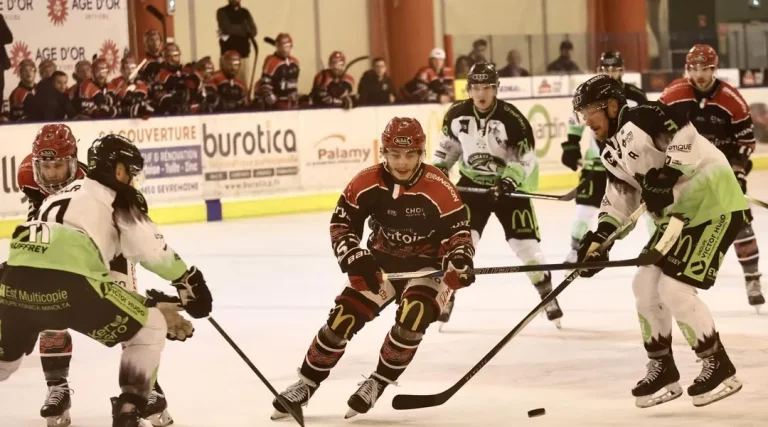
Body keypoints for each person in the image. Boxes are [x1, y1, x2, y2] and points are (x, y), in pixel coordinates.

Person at [0, 133, 212, 427]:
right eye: (132, 173)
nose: (133, 181)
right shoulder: (119, 196)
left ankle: (63, 388)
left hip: (12, 278)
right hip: (71, 282)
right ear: (120, 170)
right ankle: (130, 408)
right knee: (149, 326)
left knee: (4, 363)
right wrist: (189, 282)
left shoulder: (59, 195)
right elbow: (152, 251)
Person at [270, 117, 475, 419]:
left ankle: (378, 381)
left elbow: (459, 233)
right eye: (394, 155)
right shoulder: (366, 181)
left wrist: (460, 259)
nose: (402, 163)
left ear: (421, 153)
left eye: (410, 155)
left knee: (413, 316)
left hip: (427, 269)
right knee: (343, 317)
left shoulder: (439, 187)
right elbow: (341, 224)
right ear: (384, 152)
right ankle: (306, 383)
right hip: (382, 263)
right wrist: (355, 256)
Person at [573, 74, 746, 408]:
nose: (586, 120)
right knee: (644, 285)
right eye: (582, 114)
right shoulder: (610, 152)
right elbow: (620, 199)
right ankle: (663, 368)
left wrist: (667, 175)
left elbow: (685, 135)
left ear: (611, 105)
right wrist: (601, 237)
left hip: (715, 206)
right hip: (678, 220)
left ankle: (719, 365)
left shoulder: (642, 116)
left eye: (590, 111)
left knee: (673, 289)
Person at [432, 62, 563, 328]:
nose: (481, 93)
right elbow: (448, 150)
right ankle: (449, 294)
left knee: (528, 249)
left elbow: (524, 158)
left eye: (488, 87)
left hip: (507, 190)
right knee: (460, 246)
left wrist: (507, 183)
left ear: (496, 89)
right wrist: (438, 173)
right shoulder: (456, 114)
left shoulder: (512, 119)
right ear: (468, 89)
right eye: (476, 87)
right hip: (471, 187)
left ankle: (546, 295)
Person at [659, 44, 763, 312]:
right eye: (694, 69)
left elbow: (745, 142)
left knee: (741, 226)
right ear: (687, 69)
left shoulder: (733, 100)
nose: (700, 75)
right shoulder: (673, 94)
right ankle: (679, 281)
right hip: (688, 175)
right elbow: (654, 127)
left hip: (723, 172)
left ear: (714, 69)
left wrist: (738, 172)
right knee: (682, 226)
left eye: (705, 69)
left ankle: (752, 280)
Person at [560, 51, 648, 262]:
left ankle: (662, 247)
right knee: (584, 211)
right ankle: (575, 252)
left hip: (628, 166)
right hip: (597, 166)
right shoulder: (590, 92)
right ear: (599, 70)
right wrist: (572, 144)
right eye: (605, 69)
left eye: (614, 68)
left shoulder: (635, 95)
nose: (610, 73)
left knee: (650, 211)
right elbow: (577, 120)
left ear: (622, 70)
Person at [254, 33, 300, 110]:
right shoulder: (271, 62)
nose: (286, 50)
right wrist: (271, 100)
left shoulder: (295, 62)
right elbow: (265, 85)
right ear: (278, 47)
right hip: (277, 104)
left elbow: (293, 84)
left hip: (291, 104)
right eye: (284, 47)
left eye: (289, 46)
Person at [216, 0, 257, 83]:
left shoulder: (245, 12)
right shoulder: (222, 12)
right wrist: (244, 29)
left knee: (244, 86)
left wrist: (233, 30)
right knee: (226, 85)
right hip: (227, 58)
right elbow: (226, 28)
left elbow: (253, 31)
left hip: (244, 57)